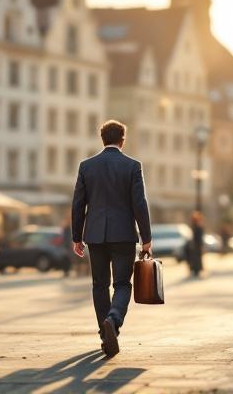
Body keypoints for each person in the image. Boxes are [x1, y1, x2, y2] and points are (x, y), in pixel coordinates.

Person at [71, 120, 152, 358]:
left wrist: (77, 236)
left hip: (95, 235)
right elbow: (140, 203)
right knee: (123, 284)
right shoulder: (132, 166)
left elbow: (78, 204)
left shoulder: (87, 166)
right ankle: (113, 321)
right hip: (124, 235)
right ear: (122, 140)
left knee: (99, 285)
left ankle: (104, 332)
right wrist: (146, 237)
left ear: (102, 139)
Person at [188, 211, 204, 277]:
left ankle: (196, 270)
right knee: (196, 258)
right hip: (196, 245)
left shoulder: (197, 227)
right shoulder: (196, 227)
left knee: (197, 258)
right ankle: (195, 270)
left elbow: (199, 237)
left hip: (197, 245)